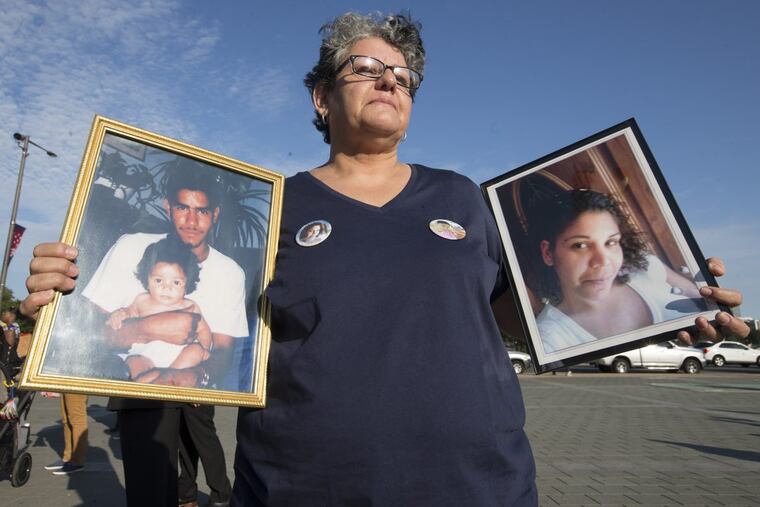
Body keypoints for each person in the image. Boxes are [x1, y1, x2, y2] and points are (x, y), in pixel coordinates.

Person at [19, 12, 749, 507]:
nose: (390, 80)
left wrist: (652, 318)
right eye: (366, 67)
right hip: (301, 487)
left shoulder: (464, 198)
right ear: (321, 95)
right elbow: (199, 316)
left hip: (476, 487)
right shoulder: (270, 205)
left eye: (403, 74)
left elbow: (525, 319)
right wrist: (68, 299)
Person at [530, 189, 707, 353]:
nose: (603, 260)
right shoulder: (550, 340)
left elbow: (700, 297)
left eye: (611, 242)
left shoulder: (645, 267)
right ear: (548, 253)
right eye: (580, 245)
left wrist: (716, 305)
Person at [106, 237, 213, 383]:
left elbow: (204, 330)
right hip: (145, 354)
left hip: (178, 358)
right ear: (147, 279)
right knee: (134, 361)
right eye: (158, 280)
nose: (166, 287)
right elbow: (128, 313)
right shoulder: (142, 300)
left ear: (187, 284)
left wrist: (205, 348)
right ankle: (147, 383)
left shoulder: (191, 306)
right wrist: (120, 314)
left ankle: (166, 377)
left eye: (176, 282)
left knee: (196, 351)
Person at [43, 393, 89, 475]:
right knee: (66, 420)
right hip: (68, 383)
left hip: (77, 383)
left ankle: (77, 461)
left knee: (77, 419)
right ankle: (67, 458)